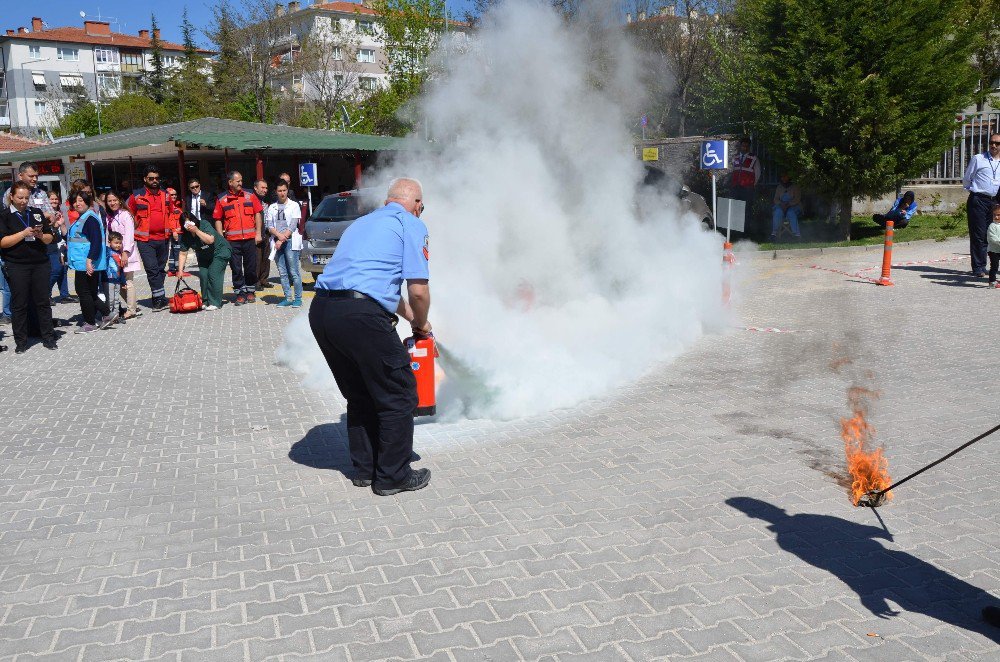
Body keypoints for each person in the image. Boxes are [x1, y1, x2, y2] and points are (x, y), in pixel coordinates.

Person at [310, 177, 432, 496]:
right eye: (421, 205)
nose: (421, 210)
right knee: (400, 393)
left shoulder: (362, 223)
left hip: (323, 311)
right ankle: (393, 476)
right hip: (360, 316)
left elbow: (379, 289)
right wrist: (422, 322)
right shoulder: (411, 224)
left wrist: (413, 321)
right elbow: (417, 291)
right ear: (416, 204)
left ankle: (364, 469)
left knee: (361, 393)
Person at [0, 181, 57, 353]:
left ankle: (48, 337)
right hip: (17, 264)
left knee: (43, 302)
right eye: (20, 197)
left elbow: (50, 238)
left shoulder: (37, 213)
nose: (24, 201)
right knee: (20, 304)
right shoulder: (4, 216)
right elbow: (3, 242)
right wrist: (23, 234)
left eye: (26, 197)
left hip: (39, 263)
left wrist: (40, 235)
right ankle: (21, 341)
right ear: (11, 197)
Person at [128, 165, 178, 311]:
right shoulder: (136, 196)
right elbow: (128, 213)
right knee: (152, 269)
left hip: (163, 238)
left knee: (161, 270)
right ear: (145, 179)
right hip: (145, 240)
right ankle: (157, 300)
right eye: (151, 178)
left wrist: (174, 230)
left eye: (157, 178)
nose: (154, 181)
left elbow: (172, 214)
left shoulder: (166, 195)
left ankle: (159, 295)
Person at [213, 170, 263, 305]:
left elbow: (258, 213)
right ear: (230, 182)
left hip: (249, 238)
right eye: (238, 181)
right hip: (232, 241)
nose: (241, 183)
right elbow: (218, 219)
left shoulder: (250, 195)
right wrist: (220, 238)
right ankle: (240, 293)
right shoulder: (221, 198)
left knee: (251, 267)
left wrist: (258, 233)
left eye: (241, 180)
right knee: (236, 268)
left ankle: (251, 291)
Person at [67, 190, 112, 333]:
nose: (77, 203)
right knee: (90, 292)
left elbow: (96, 241)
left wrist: (89, 260)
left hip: (86, 263)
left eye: (81, 200)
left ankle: (90, 323)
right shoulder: (83, 217)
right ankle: (106, 314)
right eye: (75, 201)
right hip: (84, 262)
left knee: (83, 292)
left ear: (88, 202)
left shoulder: (89, 218)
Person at [177, 199, 231, 311]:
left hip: (220, 251)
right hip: (203, 256)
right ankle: (206, 301)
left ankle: (215, 302)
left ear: (194, 220)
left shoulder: (204, 224)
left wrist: (196, 230)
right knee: (203, 275)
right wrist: (180, 270)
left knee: (213, 274)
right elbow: (183, 253)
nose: (189, 225)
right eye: (186, 224)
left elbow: (210, 240)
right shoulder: (185, 236)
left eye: (190, 222)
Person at [962, 133, 1000, 277]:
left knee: (992, 234)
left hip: (995, 202)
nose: (994, 146)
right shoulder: (979, 159)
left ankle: (992, 266)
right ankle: (978, 267)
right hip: (978, 200)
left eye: (997, 143)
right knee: (978, 235)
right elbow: (967, 179)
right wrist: (975, 192)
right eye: (991, 142)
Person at [265, 180, 304, 307]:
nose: (282, 193)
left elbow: (293, 225)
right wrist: (278, 237)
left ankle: (298, 298)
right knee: (282, 272)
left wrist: (282, 239)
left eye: (284, 190)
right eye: (279, 191)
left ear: (288, 191)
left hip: (290, 241)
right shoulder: (272, 207)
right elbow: (269, 226)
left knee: (293, 271)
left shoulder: (294, 205)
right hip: (277, 242)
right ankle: (288, 297)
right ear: (276, 192)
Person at [105, 190, 141, 319]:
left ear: (120, 200)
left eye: (114, 200)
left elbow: (130, 236)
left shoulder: (125, 215)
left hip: (126, 253)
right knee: (119, 282)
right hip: (114, 254)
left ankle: (131, 310)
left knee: (128, 281)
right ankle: (133, 306)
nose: (112, 203)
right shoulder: (109, 216)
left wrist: (125, 253)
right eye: (109, 201)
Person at [730, 137, 761, 231]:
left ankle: (746, 231)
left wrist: (752, 185)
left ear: (749, 147)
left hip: (747, 188)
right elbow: (732, 171)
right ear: (740, 146)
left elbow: (758, 173)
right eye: (743, 145)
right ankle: (736, 231)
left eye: (747, 146)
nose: (745, 147)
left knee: (747, 210)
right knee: (736, 208)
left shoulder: (753, 158)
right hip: (736, 187)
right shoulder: (735, 157)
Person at [770, 173, 802, 240]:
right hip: (781, 206)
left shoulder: (795, 186)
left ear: (789, 177)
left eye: (785, 176)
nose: (784, 178)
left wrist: (789, 204)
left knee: (791, 213)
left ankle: (796, 234)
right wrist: (781, 204)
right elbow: (775, 199)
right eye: (782, 177)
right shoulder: (779, 187)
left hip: (793, 206)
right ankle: (774, 233)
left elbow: (797, 199)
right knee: (777, 212)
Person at [252, 179, 271, 291]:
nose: (265, 190)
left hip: (267, 233)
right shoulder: (252, 200)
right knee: (257, 258)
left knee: (266, 257)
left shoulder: (265, 200)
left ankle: (264, 279)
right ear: (255, 188)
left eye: (266, 188)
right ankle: (256, 281)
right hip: (256, 233)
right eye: (262, 188)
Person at [165, 187, 187, 277]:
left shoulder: (177, 205)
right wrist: (174, 231)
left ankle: (172, 269)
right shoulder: (168, 207)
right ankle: (179, 270)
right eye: (172, 195)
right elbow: (169, 221)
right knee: (178, 250)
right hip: (176, 233)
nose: (174, 196)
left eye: (175, 194)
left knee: (174, 250)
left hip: (179, 232)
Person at [106, 231, 126, 322]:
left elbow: (121, 270)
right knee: (110, 300)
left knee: (117, 299)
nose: (118, 245)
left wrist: (123, 281)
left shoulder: (120, 254)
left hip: (117, 280)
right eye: (116, 243)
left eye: (120, 243)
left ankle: (116, 316)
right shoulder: (107, 251)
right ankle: (109, 315)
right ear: (109, 242)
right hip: (109, 280)